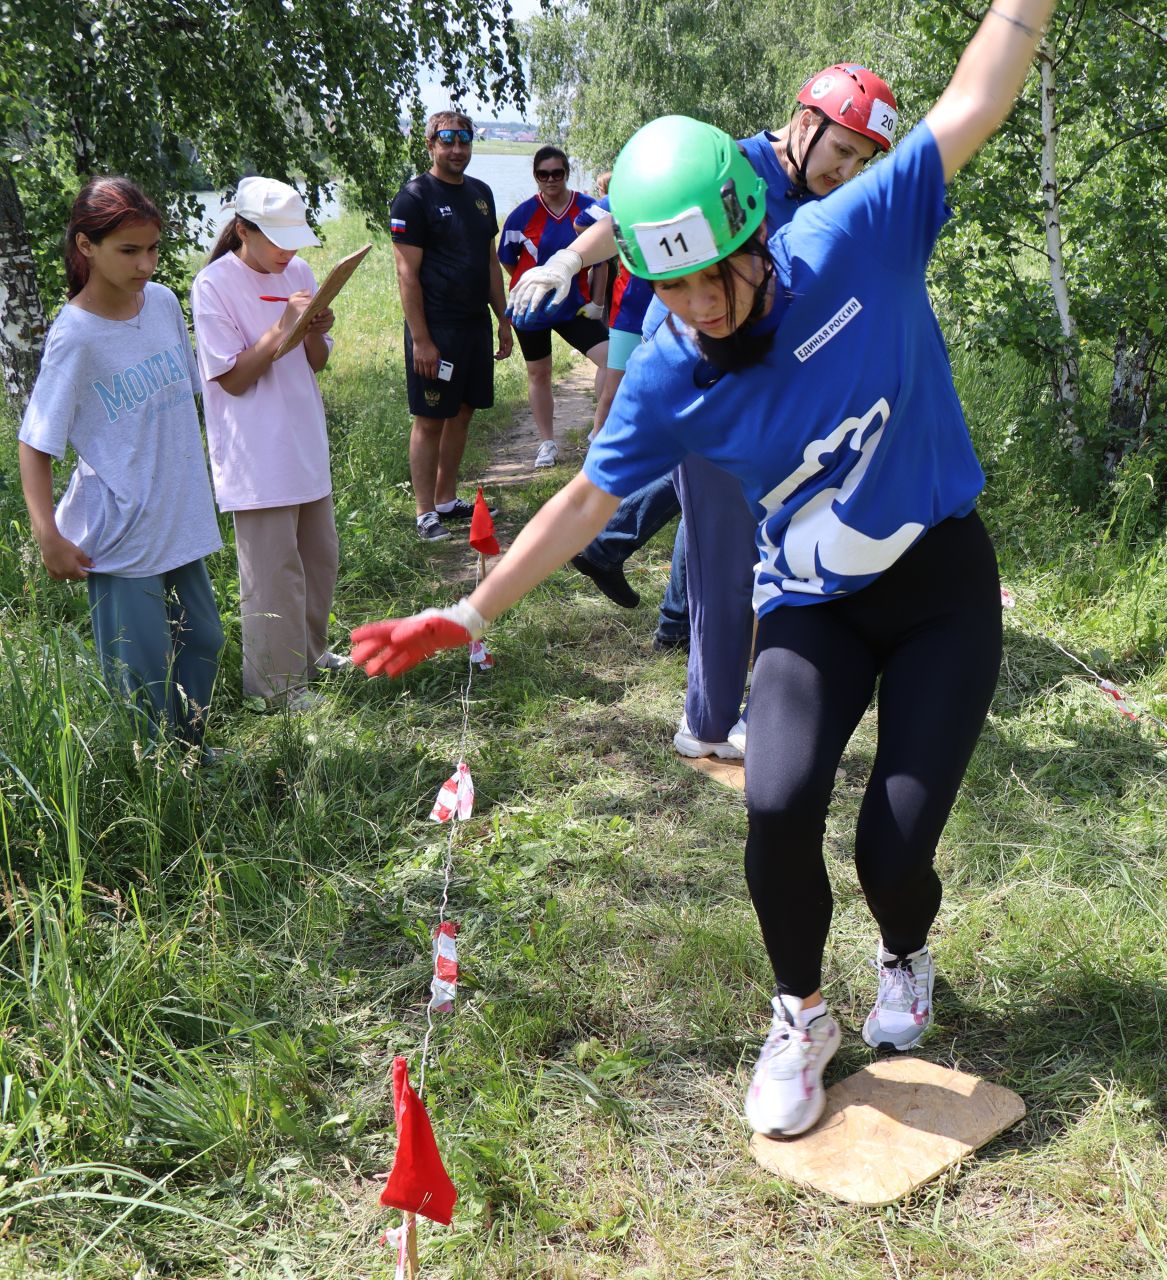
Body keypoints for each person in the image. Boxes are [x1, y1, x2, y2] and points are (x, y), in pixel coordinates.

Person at [353, 5, 1054, 1138]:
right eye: (670, 290)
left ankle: (907, 951)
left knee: (890, 844)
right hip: (812, 608)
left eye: (714, 281)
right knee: (774, 803)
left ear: (754, 235)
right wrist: (470, 606)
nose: (697, 310)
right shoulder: (677, 370)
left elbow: (973, 101)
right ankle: (801, 1013)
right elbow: (587, 498)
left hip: (939, 586)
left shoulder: (860, 237)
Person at [512, 63, 901, 760]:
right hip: (702, 387)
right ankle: (710, 723)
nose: (847, 171)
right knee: (724, 565)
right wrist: (567, 263)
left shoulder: (829, 199)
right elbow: (634, 218)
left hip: (784, 408)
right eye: (842, 151)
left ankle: (766, 704)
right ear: (806, 122)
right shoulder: (733, 166)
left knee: (785, 556)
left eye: (862, 161)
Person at [17, 177, 225, 748]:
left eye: (153, 248)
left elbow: (186, 403)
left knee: (204, 638)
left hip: (178, 514)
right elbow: (34, 445)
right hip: (123, 532)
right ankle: (154, 782)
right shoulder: (76, 338)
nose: (146, 264)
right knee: (141, 670)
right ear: (86, 247)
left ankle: (191, 751)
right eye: (129, 251)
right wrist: (48, 536)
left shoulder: (160, 304)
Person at [191, 177, 346, 712]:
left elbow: (317, 362)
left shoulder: (299, 271)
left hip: (303, 439)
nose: (290, 251)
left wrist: (313, 331)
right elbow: (231, 379)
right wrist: (283, 326)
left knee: (318, 559)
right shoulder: (213, 285)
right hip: (255, 455)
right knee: (272, 575)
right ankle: (275, 689)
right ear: (242, 230)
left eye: (294, 238)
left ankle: (310, 656)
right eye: (277, 238)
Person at [390, 110, 514, 542]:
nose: (457, 148)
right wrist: (421, 340)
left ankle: (446, 499)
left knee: (463, 411)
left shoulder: (481, 193)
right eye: (447, 140)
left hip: (475, 324)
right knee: (430, 418)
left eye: (464, 140)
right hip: (436, 328)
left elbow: (489, 261)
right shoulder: (414, 197)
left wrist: (503, 318)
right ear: (430, 145)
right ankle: (425, 513)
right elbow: (407, 274)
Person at [497, 145, 610, 468]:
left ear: (566, 173)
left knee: (612, 360)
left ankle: (599, 432)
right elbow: (508, 262)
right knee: (539, 373)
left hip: (574, 306)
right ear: (535, 176)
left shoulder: (589, 208)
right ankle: (547, 443)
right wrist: (533, 286)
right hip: (531, 309)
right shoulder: (522, 215)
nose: (550, 180)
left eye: (557, 173)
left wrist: (596, 303)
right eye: (543, 174)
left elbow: (602, 261)